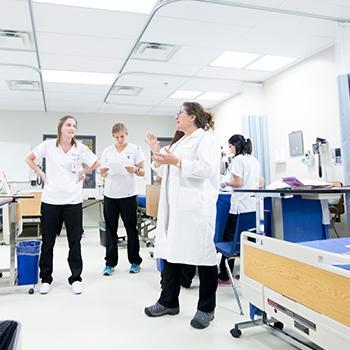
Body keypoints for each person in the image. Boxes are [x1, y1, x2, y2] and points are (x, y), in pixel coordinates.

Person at [144, 102, 220, 330]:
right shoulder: (181, 142)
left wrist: (175, 161)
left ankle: (206, 309)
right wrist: (157, 151)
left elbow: (207, 169)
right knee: (171, 253)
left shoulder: (206, 139)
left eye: (181, 113)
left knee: (204, 257)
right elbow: (162, 170)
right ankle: (168, 301)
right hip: (175, 208)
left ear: (193, 117)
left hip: (196, 208)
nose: (177, 116)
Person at [25, 115, 99, 295]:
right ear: (60, 128)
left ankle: (76, 278)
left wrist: (84, 171)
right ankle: (46, 278)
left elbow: (97, 162)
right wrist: (42, 175)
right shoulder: (48, 145)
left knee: (75, 242)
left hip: (73, 201)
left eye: (74, 125)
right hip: (51, 201)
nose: (72, 128)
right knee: (48, 242)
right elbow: (29, 158)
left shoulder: (80, 148)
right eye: (68, 124)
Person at [218, 134, 264, 284]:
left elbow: (237, 182)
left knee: (229, 240)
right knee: (248, 240)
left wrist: (225, 183)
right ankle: (250, 273)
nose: (230, 149)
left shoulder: (238, 160)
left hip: (239, 207)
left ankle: (225, 275)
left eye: (230, 146)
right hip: (252, 207)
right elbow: (261, 182)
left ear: (236, 145)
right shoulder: (254, 160)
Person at [100, 122, 144, 275]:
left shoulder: (134, 149)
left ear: (126, 133)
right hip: (110, 195)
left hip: (128, 195)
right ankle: (110, 263)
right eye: (117, 137)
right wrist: (104, 172)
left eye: (122, 136)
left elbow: (143, 171)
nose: (120, 139)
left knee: (131, 229)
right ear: (113, 136)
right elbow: (102, 173)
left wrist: (135, 169)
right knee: (110, 230)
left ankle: (135, 262)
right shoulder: (107, 151)